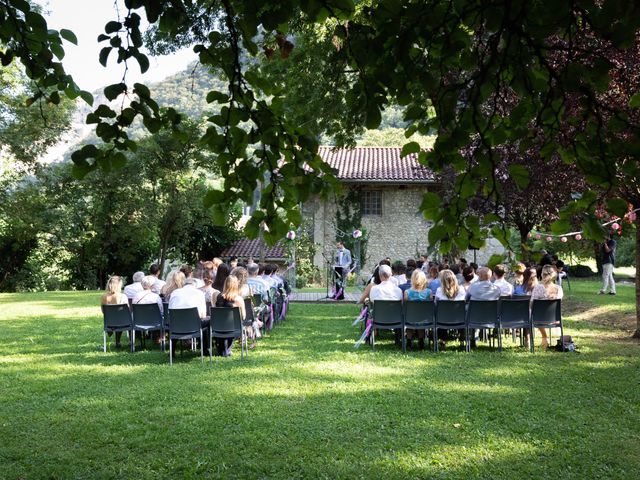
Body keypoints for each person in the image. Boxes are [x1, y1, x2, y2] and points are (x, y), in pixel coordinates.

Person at [531, 264, 564, 348]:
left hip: (539, 318)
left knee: (532, 311)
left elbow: (532, 304)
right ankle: (548, 338)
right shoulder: (559, 288)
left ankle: (544, 337)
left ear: (542, 274)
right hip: (554, 318)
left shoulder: (538, 288)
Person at [214, 275, 246, 356]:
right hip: (234, 327)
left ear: (225, 284)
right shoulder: (239, 299)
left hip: (218, 327)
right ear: (236, 285)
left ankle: (223, 349)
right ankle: (226, 350)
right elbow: (243, 316)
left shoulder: (218, 296)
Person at [404, 269, 431, 349]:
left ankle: (409, 341)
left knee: (410, 321)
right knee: (421, 319)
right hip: (424, 319)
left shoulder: (407, 292)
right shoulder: (429, 292)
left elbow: (405, 306)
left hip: (410, 318)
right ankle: (421, 340)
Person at [101, 275, 129, 348]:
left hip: (109, 322)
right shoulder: (123, 296)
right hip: (122, 322)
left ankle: (111, 331)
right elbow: (126, 311)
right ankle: (121, 342)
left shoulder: (103, 297)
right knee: (123, 319)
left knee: (117, 319)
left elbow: (103, 311)